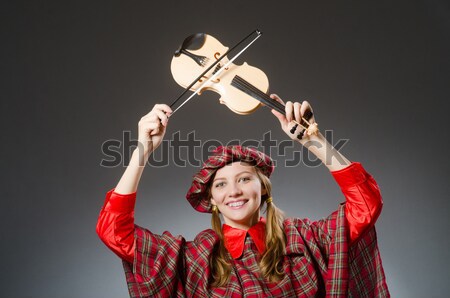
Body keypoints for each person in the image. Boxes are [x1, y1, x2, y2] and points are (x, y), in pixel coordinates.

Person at [96, 95, 389, 297]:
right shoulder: (194, 259)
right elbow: (114, 233)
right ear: (210, 199)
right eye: (220, 185)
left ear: (263, 188)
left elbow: (366, 204)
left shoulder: (305, 240)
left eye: (244, 179)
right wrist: (142, 151)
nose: (234, 191)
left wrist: (315, 141)